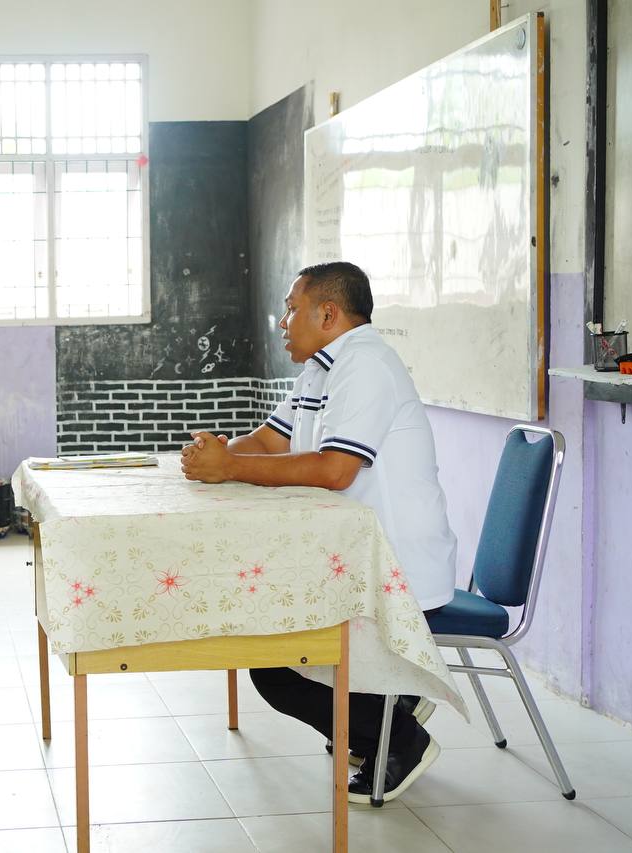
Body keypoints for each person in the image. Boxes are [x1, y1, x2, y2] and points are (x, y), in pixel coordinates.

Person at [180, 261, 456, 804]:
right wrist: (213, 455)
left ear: (328, 314)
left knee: (274, 666)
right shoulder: (321, 368)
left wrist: (228, 468)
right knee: (272, 636)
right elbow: (270, 441)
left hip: (393, 569)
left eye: (291, 310)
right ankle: (386, 707)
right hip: (350, 556)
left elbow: (334, 470)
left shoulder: (366, 365)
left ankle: (399, 738)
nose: (282, 322)